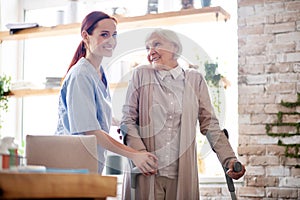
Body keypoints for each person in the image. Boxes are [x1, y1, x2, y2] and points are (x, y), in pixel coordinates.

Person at [120, 28, 246, 199]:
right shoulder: (141, 74)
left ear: (175, 48)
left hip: (180, 175)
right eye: (147, 48)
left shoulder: (195, 79)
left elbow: (209, 124)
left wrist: (229, 159)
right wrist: (140, 154)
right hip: (145, 173)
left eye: (156, 44)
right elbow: (127, 120)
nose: (151, 52)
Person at [55, 11, 158, 175]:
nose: (111, 41)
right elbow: (90, 130)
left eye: (114, 35)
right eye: (104, 34)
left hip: (89, 165)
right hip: (72, 166)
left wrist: (120, 123)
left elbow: (96, 115)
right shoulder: (81, 75)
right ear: (85, 36)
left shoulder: (99, 72)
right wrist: (134, 155)